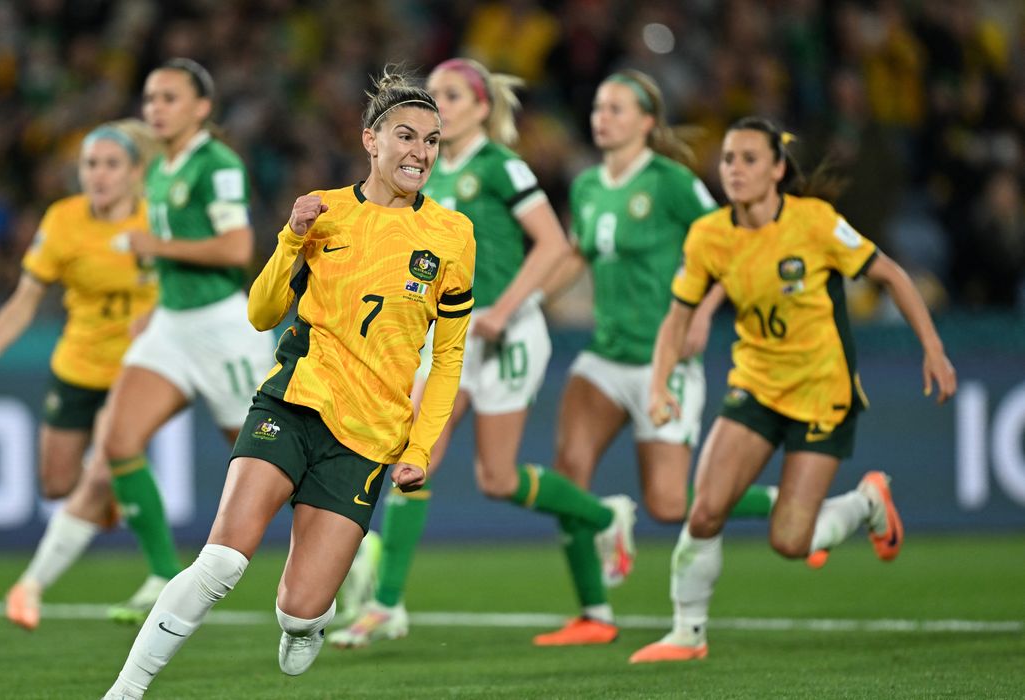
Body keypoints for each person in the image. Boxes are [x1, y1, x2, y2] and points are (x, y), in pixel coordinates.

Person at [102, 67, 475, 699]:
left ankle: (306, 624)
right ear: (371, 141)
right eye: (406, 137)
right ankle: (125, 691)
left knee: (299, 609)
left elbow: (448, 358)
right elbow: (261, 312)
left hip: (369, 437)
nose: (419, 153)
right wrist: (291, 237)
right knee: (220, 561)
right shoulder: (323, 212)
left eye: (432, 141)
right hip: (294, 401)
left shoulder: (452, 236)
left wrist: (418, 448)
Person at [328, 58, 633, 649]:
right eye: (433, 95)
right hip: (452, 335)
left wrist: (507, 309)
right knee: (417, 457)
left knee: (496, 477)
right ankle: (387, 605)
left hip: (508, 333)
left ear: (480, 107)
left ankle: (603, 517)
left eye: (450, 95)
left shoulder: (500, 166)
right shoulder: (424, 171)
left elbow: (551, 244)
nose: (438, 104)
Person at [629, 116, 956, 663]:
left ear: (778, 169)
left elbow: (893, 275)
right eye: (729, 159)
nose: (735, 169)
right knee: (706, 510)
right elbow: (676, 318)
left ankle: (866, 502)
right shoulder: (709, 234)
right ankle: (687, 633)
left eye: (749, 159)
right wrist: (659, 385)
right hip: (755, 385)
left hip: (821, 392)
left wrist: (934, 348)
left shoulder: (816, 223)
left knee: (790, 542)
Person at [2, 58, 277, 629]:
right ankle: (159, 572)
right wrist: (152, 309)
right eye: (151, 98)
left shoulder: (216, 163)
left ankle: (356, 556)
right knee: (118, 442)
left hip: (224, 329)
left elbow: (234, 249)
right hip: (173, 326)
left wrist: (153, 243)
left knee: (268, 461)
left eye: (169, 98)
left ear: (201, 108)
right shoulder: (160, 170)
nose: (155, 108)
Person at [531, 71, 780, 647]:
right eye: (597, 106)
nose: (602, 117)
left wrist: (703, 310)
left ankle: (796, 504)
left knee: (670, 503)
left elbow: (728, 241)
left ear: (647, 121)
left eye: (616, 108)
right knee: (570, 472)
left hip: (661, 361)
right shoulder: (589, 184)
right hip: (604, 357)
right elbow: (576, 254)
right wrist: (531, 303)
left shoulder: (669, 182)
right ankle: (595, 612)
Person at [0, 119, 159, 631]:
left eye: (112, 164)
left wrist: (158, 317)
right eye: (92, 164)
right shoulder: (63, 220)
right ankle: (110, 498)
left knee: (102, 466)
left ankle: (31, 585)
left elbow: (195, 282)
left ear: (136, 172)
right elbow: (26, 300)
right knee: (56, 484)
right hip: (77, 365)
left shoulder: (158, 217)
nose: (100, 175)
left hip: (137, 369)